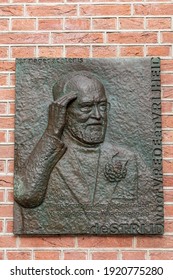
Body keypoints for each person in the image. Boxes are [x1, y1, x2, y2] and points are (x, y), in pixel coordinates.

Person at [14, 71, 149, 234]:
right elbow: (26, 197)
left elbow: (152, 208)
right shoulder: (39, 154)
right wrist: (52, 133)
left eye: (102, 106)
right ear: (62, 111)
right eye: (86, 107)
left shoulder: (129, 159)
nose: (98, 115)